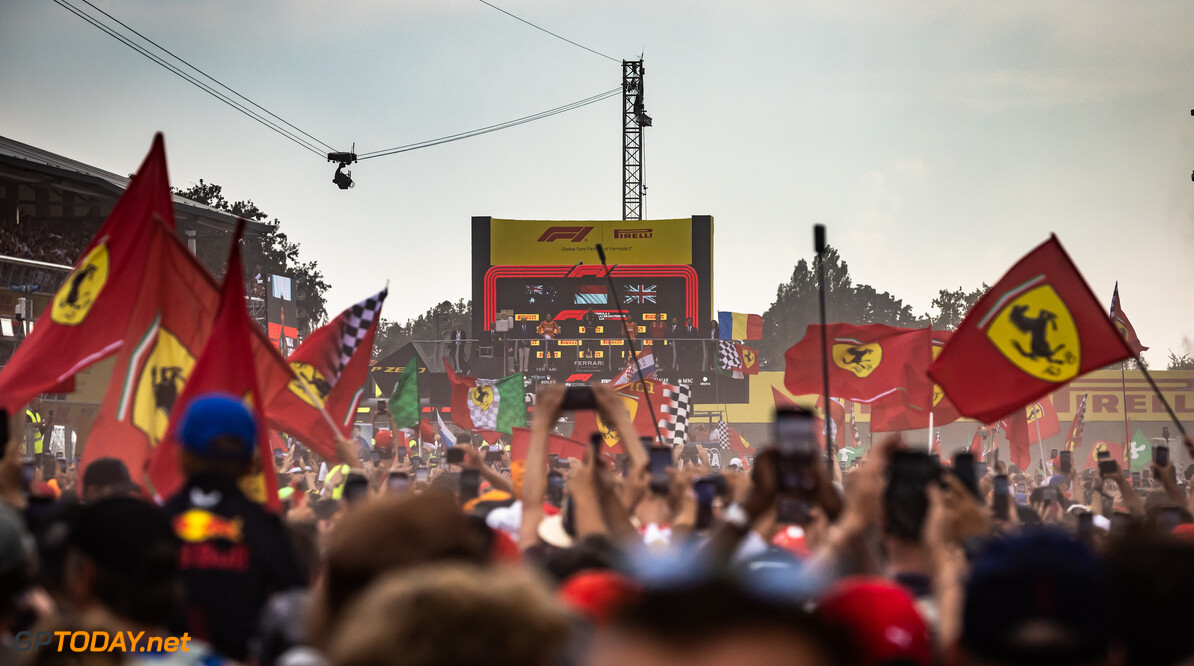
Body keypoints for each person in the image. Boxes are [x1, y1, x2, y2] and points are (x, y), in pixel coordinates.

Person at [160, 392, 306, 662]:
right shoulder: (269, 533)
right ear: (250, 464)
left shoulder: (152, 525)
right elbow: (296, 624)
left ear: (182, 456)